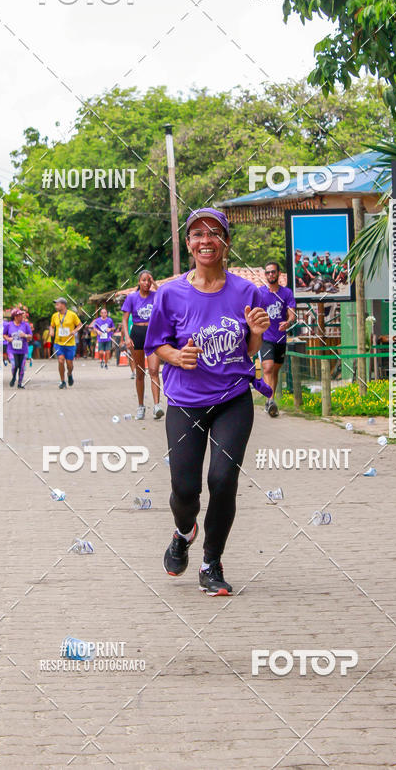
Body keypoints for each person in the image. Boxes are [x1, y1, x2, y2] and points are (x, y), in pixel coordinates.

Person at [145, 208, 272, 596]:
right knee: (185, 490)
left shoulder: (247, 292)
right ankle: (184, 532)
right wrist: (175, 357)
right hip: (185, 402)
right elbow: (155, 344)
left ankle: (211, 563)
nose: (205, 240)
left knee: (222, 479)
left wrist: (254, 335)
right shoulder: (170, 293)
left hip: (233, 398)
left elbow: (249, 351)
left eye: (214, 234)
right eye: (197, 234)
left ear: (226, 242)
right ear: (188, 244)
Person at [122, 272, 164, 419]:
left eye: (149, 280)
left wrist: (155, 283)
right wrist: (127, 337)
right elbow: (125, 319)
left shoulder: (155, 295)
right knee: (140, 373)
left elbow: (166, 295)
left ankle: (157, 406)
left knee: (153, 370)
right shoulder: (132, 297)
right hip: (137, 333)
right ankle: (141, 406)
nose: (147, 283)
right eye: (144, 280)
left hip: (152, 333)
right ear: (139, 282)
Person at [258, 261, 296, 418]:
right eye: (267, 273)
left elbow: (292, 313)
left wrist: (288, 322)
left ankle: (269, 400)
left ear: (279, 273)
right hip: (265, 337)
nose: (270, 275)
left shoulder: (286, 293)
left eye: (273, 272)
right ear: (265, 275)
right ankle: (271, 400)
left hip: (280, 338)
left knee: (274, 371)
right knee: (267, 368)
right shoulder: (260, 293)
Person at [49, 298, 82, 389]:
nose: (56, 306)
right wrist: (51, 331)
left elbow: (80, 325)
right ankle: (62, 381)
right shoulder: (55, 316)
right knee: (60, 360)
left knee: (69, 364)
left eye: (57, 304)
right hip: (58, 343)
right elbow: (51, 326)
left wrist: (75, 331)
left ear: (63, 305)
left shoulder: (72, 315)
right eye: (56, 305)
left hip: (70, 343)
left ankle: (69, 374)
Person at [4, 308, 32, 388]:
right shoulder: (9, 325)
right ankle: (13, 378)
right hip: (12, 349)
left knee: (22, 367)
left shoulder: (26, 325)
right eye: (19, 315)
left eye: (22, 315)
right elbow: (4, 334)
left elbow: (30, 336)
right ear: (15, 317)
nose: (22, 316)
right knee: (14, 365)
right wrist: (8, 339)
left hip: (23, 349)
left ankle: (20, 383)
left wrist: (25, 335)